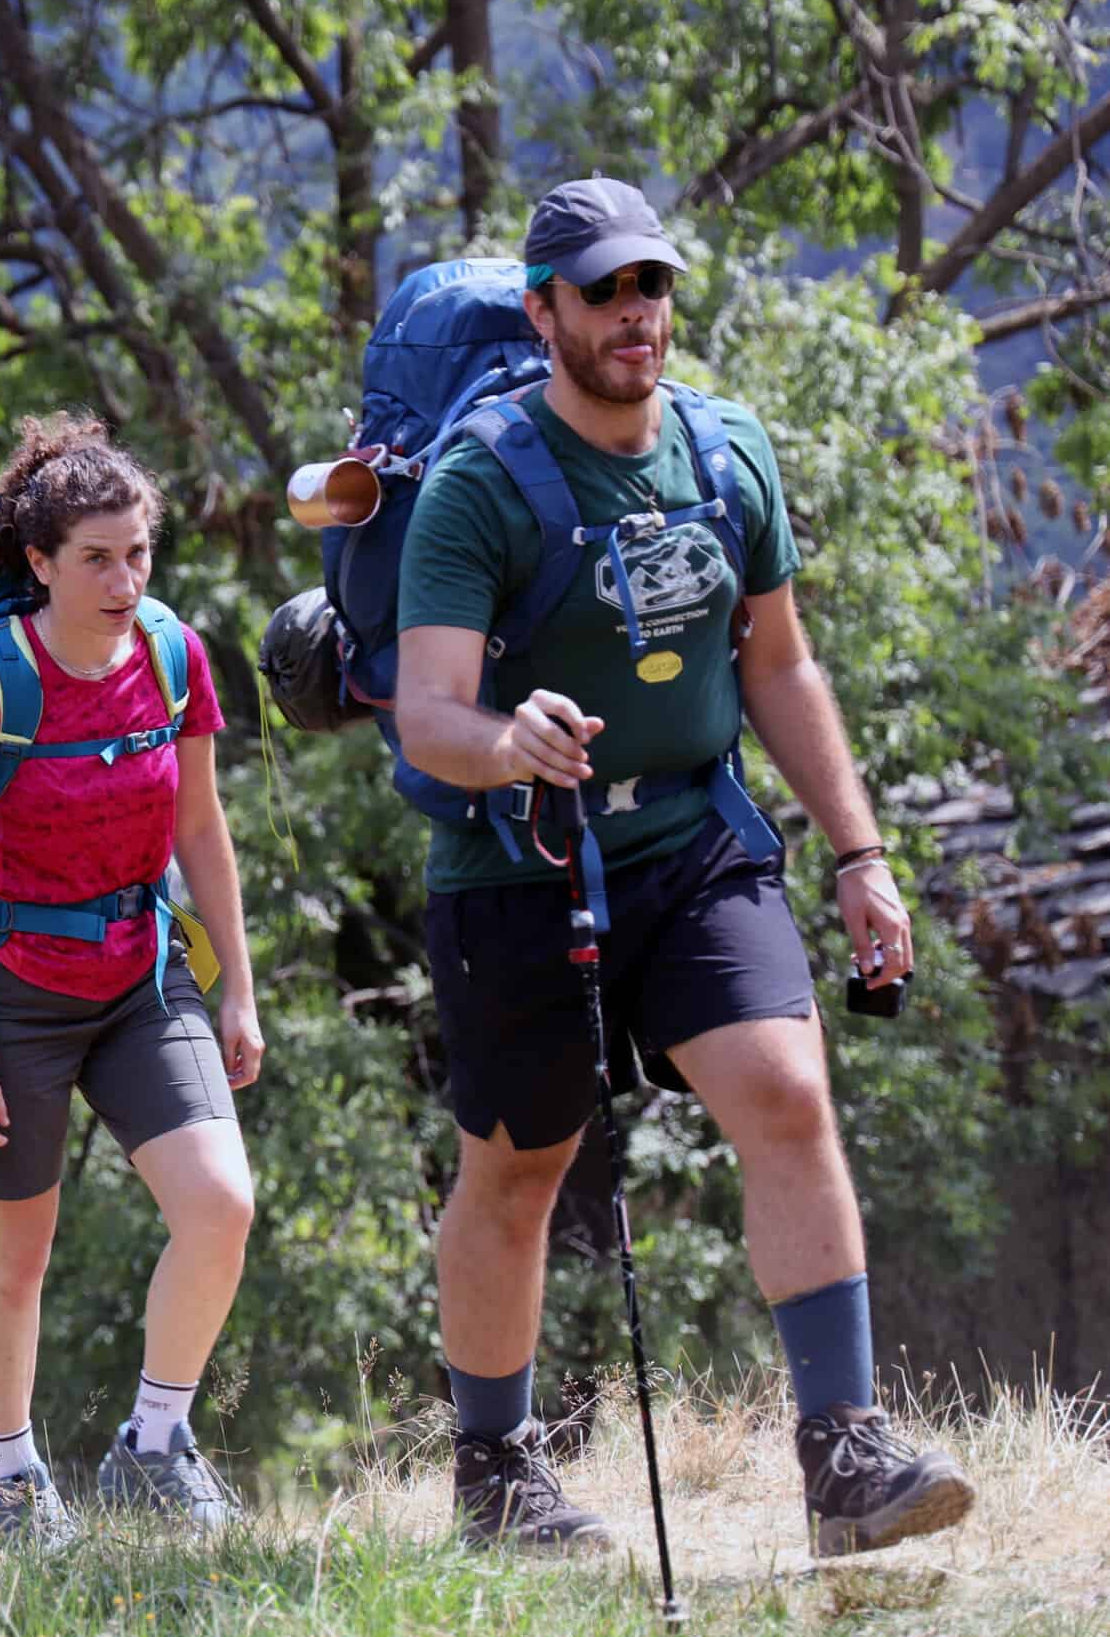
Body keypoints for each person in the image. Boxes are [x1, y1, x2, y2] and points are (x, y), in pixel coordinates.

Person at [395, 176, 975, 1557]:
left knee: (783, 1092)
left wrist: (858, 853)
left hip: (697, 841)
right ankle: (495, 1468)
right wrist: (505, 738)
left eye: (647, 283)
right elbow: (425, 711)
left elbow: (776, 661)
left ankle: (840, 1455)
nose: (631, 312)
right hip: (520, 866)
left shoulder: (725, 453)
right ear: (541, 313)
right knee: (517, 1168)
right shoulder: (477, 484)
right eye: (598, 290)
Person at [0, 413, 264, 1542]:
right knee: (15, 1261)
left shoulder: (172, 653)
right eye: (97, 558)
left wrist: (241, 986)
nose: (124, 579)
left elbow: (203, 829)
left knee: (222, 1205)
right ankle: (10, 1477)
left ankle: (153, 1443)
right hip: (13, 993)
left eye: (139, 552)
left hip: (144, 974)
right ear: (40, 563)